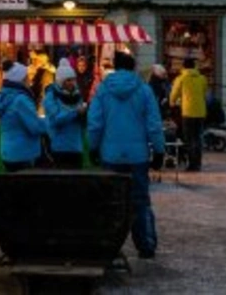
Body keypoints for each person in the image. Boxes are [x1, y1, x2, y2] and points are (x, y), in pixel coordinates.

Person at [87, 51, 165, 259]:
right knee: (140, 201)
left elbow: (95, 124)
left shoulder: (103, 90)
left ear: (115, 67)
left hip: (110, 155)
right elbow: (154, 125)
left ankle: (109, 245)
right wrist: (158, 150)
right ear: (133, 68)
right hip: (137, 156)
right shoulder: (144, 90)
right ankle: (146, 245)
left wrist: (93, 147)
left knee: (110, 201)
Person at [0, 60, 47, 172]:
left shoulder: (3, 97)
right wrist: (48, 121)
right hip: (24, 153)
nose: (29, 80)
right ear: (20, 80)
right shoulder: (21, 100)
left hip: (8, 152)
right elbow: (35, 127)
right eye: (26, 77)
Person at [44, 58, 87, 169]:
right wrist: (76, 112)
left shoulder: (77, 96)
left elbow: (82, 122)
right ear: (60, 81)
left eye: (73, 79)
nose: (72, 83)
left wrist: (84, 116)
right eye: (68, 80)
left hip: (76, 147)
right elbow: (55, 120)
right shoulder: (51, 96)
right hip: (59, 147)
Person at [169, 57, 208, 172]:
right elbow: (204, 91)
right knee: (198, 138)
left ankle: (192, 164)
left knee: (189, 138)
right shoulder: (202, 79)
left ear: (183, 67)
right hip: (200, 111)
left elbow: (174, 94)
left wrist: (172, 103)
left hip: (188, 112)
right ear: (194, 66)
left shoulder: (181, 79)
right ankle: (198, 163)